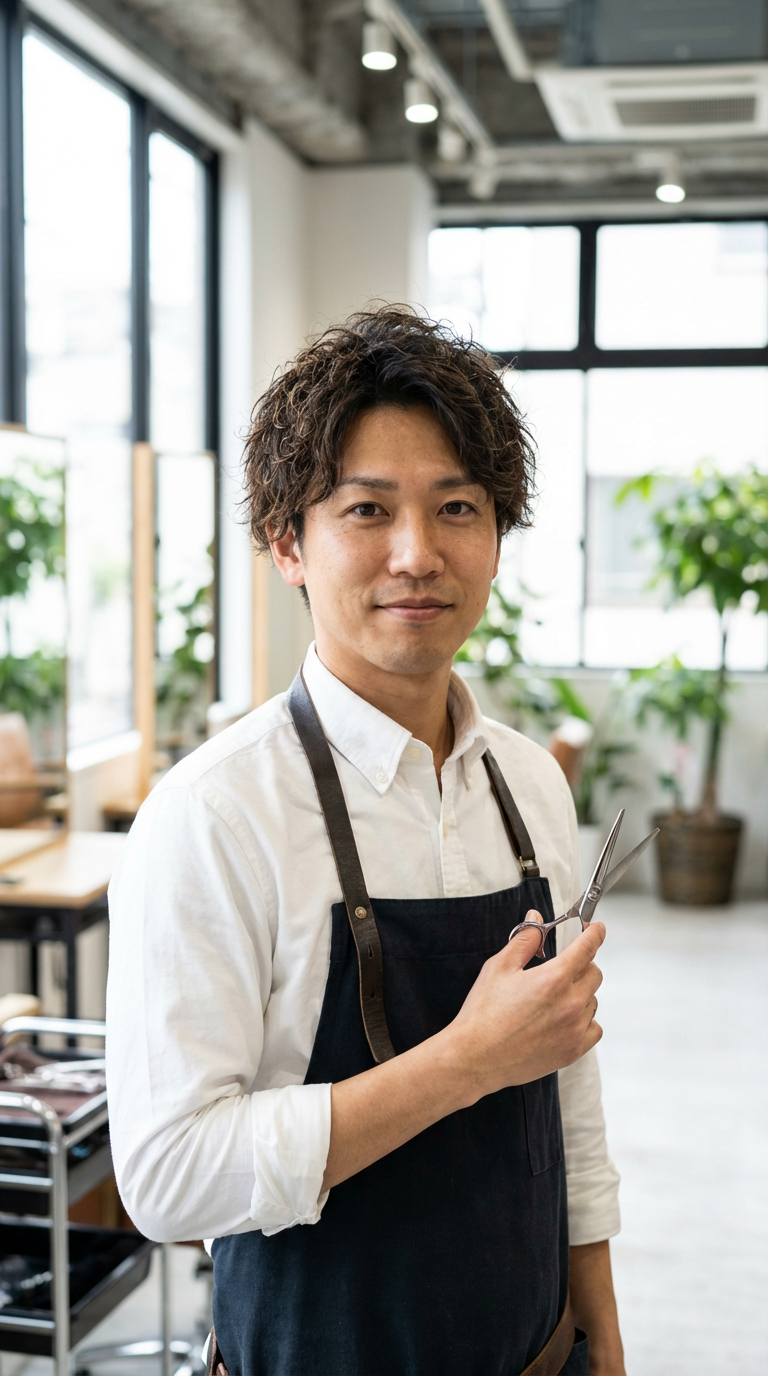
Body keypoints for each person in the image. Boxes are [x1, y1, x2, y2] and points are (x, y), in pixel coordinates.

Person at [107, 308, 625, 1376]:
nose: (417, 554)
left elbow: (566, 1100)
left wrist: (603, 1338)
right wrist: (467, 1060)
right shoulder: (213, 815)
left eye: (457, 508)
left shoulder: (528, 785)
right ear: (288, 542)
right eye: (367, 509)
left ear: (495, 534)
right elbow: (165, 1177)